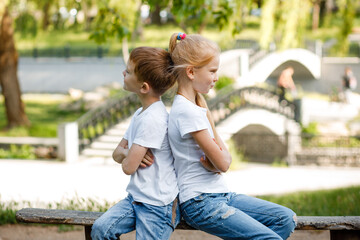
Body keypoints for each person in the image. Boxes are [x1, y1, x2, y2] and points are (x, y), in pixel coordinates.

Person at [167, 32, 297, 240]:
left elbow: (221, 162)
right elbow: (224, 163)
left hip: (221, 195)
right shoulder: (187, 112)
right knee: (269, 238)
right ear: (191, 71)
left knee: (285, 219)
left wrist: (208, 118)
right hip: (200, 201)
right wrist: (220, 159)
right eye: (212, 71)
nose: (216, 78)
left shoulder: (196, 107)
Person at [91, 47, 180, 240]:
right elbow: (117, 154)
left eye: (129, 72)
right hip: (136, 199)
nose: (123, 73)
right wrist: (128, 152)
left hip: (157, 204)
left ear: (144, 87)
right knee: (101, 230)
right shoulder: (140, 114)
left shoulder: (153, 119)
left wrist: (128, 155)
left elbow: (128, 168)